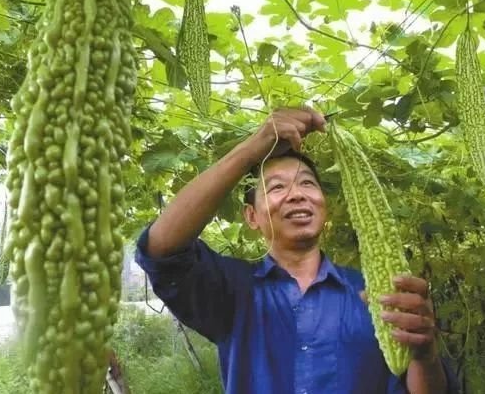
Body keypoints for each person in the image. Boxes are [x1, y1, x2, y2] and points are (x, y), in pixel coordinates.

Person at [134, 107, 457, 393]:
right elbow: (162, 248)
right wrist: (249, 150)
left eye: (307, 183)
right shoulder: (231, 290)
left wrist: (425, 356)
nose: (295, 194)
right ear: (252, 217)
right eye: (276, 187)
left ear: (324, 206)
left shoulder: (375, 294)